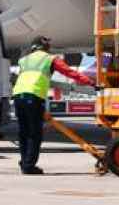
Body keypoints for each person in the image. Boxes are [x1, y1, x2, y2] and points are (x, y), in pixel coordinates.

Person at [10, 36, 94, 174]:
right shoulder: (50, 59)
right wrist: (90, 82)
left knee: (23, 132)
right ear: (46, 48)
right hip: (34, 96)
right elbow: (70, 72)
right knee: (34, 133)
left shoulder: (23, 60)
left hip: (18, 96)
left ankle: (25, 161)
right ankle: (29, 166)